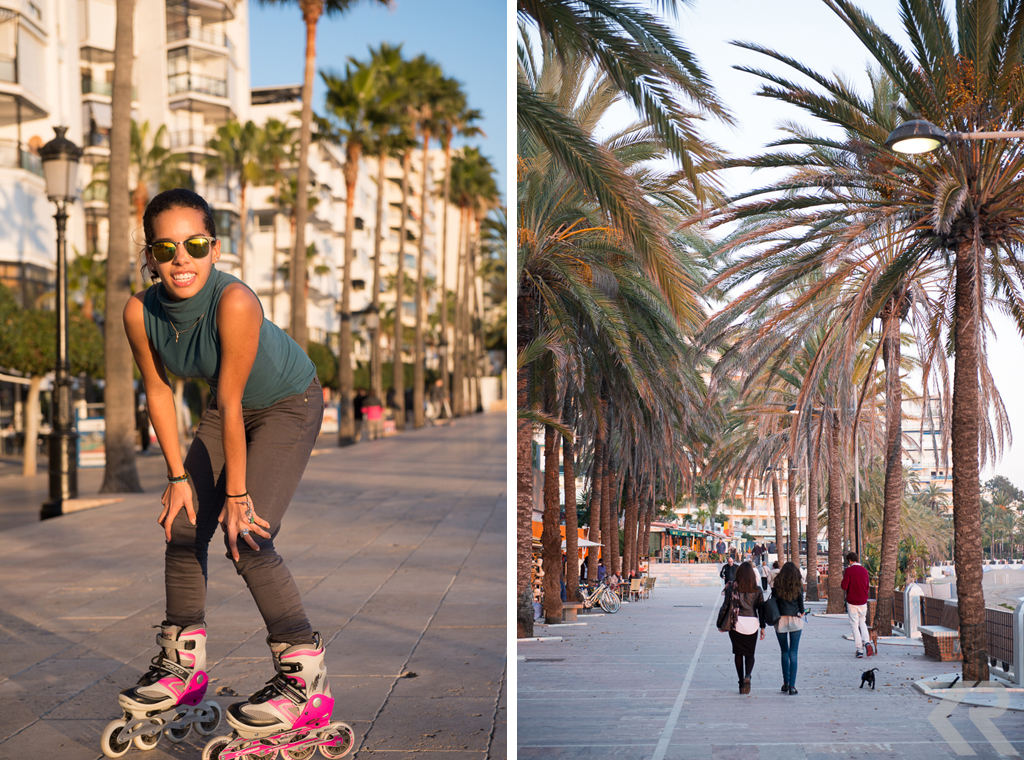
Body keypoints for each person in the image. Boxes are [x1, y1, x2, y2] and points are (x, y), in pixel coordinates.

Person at [118, 188, 336, 752]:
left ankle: (303, 682)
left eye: (194, 244)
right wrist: (176, 478)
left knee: (249, 536)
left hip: (289, 402)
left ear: (214, 248)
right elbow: (159, 393)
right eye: (166, 249)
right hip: (226, 411)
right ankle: (181, 667)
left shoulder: (235, 301)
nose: (180, 259)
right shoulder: (140, 312)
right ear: (150, 256)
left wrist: (237, 495)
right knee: (184, 525)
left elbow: (236, 402)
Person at [724, 562, 766, 694]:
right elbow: (761, 610)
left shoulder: (732, 588)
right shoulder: (757, 590)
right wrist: (763, 627)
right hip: (752, 624)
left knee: (738, 653)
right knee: (750, 653)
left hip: (736, 623)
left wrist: (720, 624)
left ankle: (741, 681)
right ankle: (748, 675)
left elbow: (725, 606)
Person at [772, 561, 806, 695]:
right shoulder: (798, 585)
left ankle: (785, 683)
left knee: (784, 652)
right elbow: (801, 604)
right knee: (794, 652)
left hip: (780, 619)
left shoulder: (777, 585)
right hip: (795, 619)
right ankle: (792, 686)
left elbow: (774, 601)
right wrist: (802, 611)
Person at [841, 550, 871, 658]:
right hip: (863, 601)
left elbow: (844, 586)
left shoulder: (849, 571)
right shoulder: (864, 571)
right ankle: (867, 642)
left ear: (849, 560)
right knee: (862, 622)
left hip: (852, 602)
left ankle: (859, 649)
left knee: (854, 624)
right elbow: (867, 586)